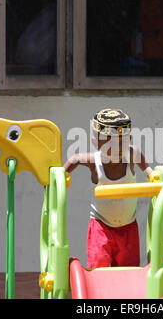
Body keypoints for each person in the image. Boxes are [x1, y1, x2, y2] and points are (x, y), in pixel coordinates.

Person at [64, 109, 153, 268]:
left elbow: (147, 168)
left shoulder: (132, 154)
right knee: (99, 268)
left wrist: (151, 175)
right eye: (109, 143)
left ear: (129, 140)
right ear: (95, 142)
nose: (117, 147)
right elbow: (75, 159)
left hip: (128, 227)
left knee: (128, 271)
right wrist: (59, 177)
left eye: (121, 142)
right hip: (101, 226)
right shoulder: (94, 161)